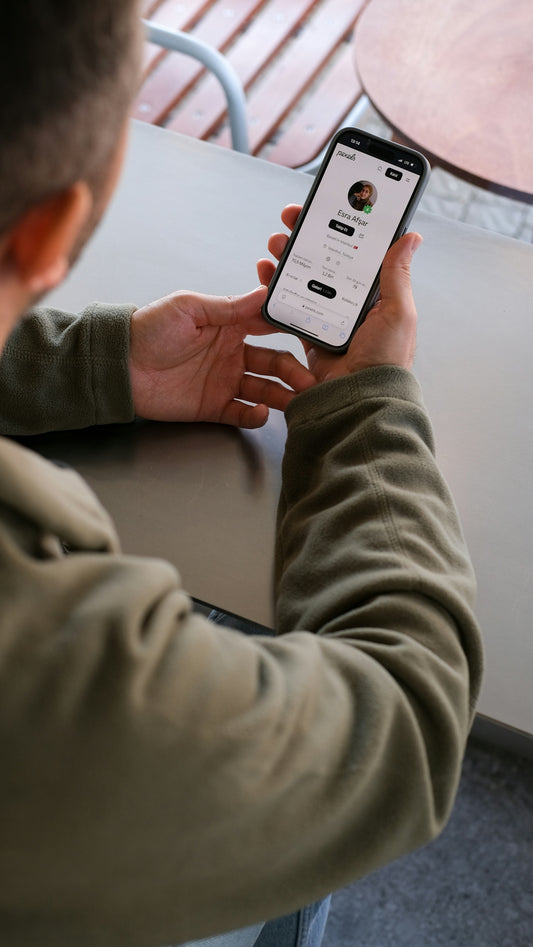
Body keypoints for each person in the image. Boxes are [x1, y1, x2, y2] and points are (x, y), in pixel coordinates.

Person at [0, 3, 483, 947]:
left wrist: (91, 364)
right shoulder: (42, 665)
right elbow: (403, 727)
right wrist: (365, 410)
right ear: (52, 226)